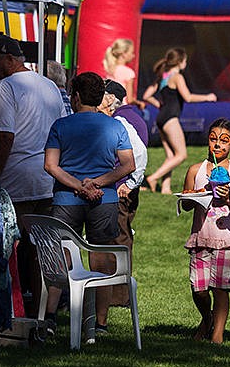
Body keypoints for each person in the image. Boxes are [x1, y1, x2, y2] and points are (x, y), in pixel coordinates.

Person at [43, 72, 135, 336]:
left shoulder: (61, 125)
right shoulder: (115, 126)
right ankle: (98, 323)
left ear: (77, 96)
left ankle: (49, 317)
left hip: (66, 199)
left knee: (63, 256)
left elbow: (50, 165)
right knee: (101, 260)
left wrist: (78, 185)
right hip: (104, 199)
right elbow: (129, 165)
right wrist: (98, 183)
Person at [0, 34, 67, 318]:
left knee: (10, 249)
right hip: (48, 180)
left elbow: (4, 138)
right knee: (41, 252)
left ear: (10, 59)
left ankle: (13, 313)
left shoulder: (5, 87)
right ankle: (41, 315)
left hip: (16, 181)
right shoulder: (49, 86)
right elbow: (62, 133)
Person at [181, 118, 230, 344]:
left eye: (224, 141)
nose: (217, 144)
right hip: (201, 235)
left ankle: (217, 335)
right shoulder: (195, 170)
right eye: (213, 139)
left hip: (227, 238)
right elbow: (186, 203)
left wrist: (229, 198)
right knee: (198, 289)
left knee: (221, 288)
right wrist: (196, 194)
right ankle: (206, 318)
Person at [99, 80, 149, 306]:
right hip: (126, 187)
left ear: (110, 98)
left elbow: (139, 154)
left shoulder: (121, 120)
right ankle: (117, 294)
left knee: (117, 241)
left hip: (121, 189)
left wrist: (130, 182)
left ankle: (117, 296)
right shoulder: (134, 115)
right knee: (122, 239)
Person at [142, 47, 217, 195]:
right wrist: (207, 97)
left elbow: (146, 95)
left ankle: (165, 188)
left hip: (161, 117)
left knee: (171, 156)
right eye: (185, 61)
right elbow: (188, 97)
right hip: (170, 118)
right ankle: (153, 178)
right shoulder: (177, 77)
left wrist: (158, 105)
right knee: (181, 155)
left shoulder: (163, 76)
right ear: (181, 61)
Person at [102, 38, 147, 110]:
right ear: (124, 54)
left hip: (109, 106)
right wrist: (139, 103)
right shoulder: (129, 72)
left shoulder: (109, 69)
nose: (133, 56)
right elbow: (129, 99)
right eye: (131, 53)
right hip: (121, 107)